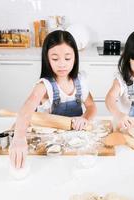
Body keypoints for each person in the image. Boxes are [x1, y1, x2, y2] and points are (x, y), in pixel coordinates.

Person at [10, 30, 96, 168]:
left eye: (67, 58)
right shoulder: (45, 86)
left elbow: (91, 106)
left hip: (76, 140)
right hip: (51, 144)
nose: (62, 64)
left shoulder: (80, 81)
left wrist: (85, 118)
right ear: (47, 59)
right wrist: (19, 137)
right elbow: (26, 110)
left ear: (75, 57)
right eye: (55, 59)